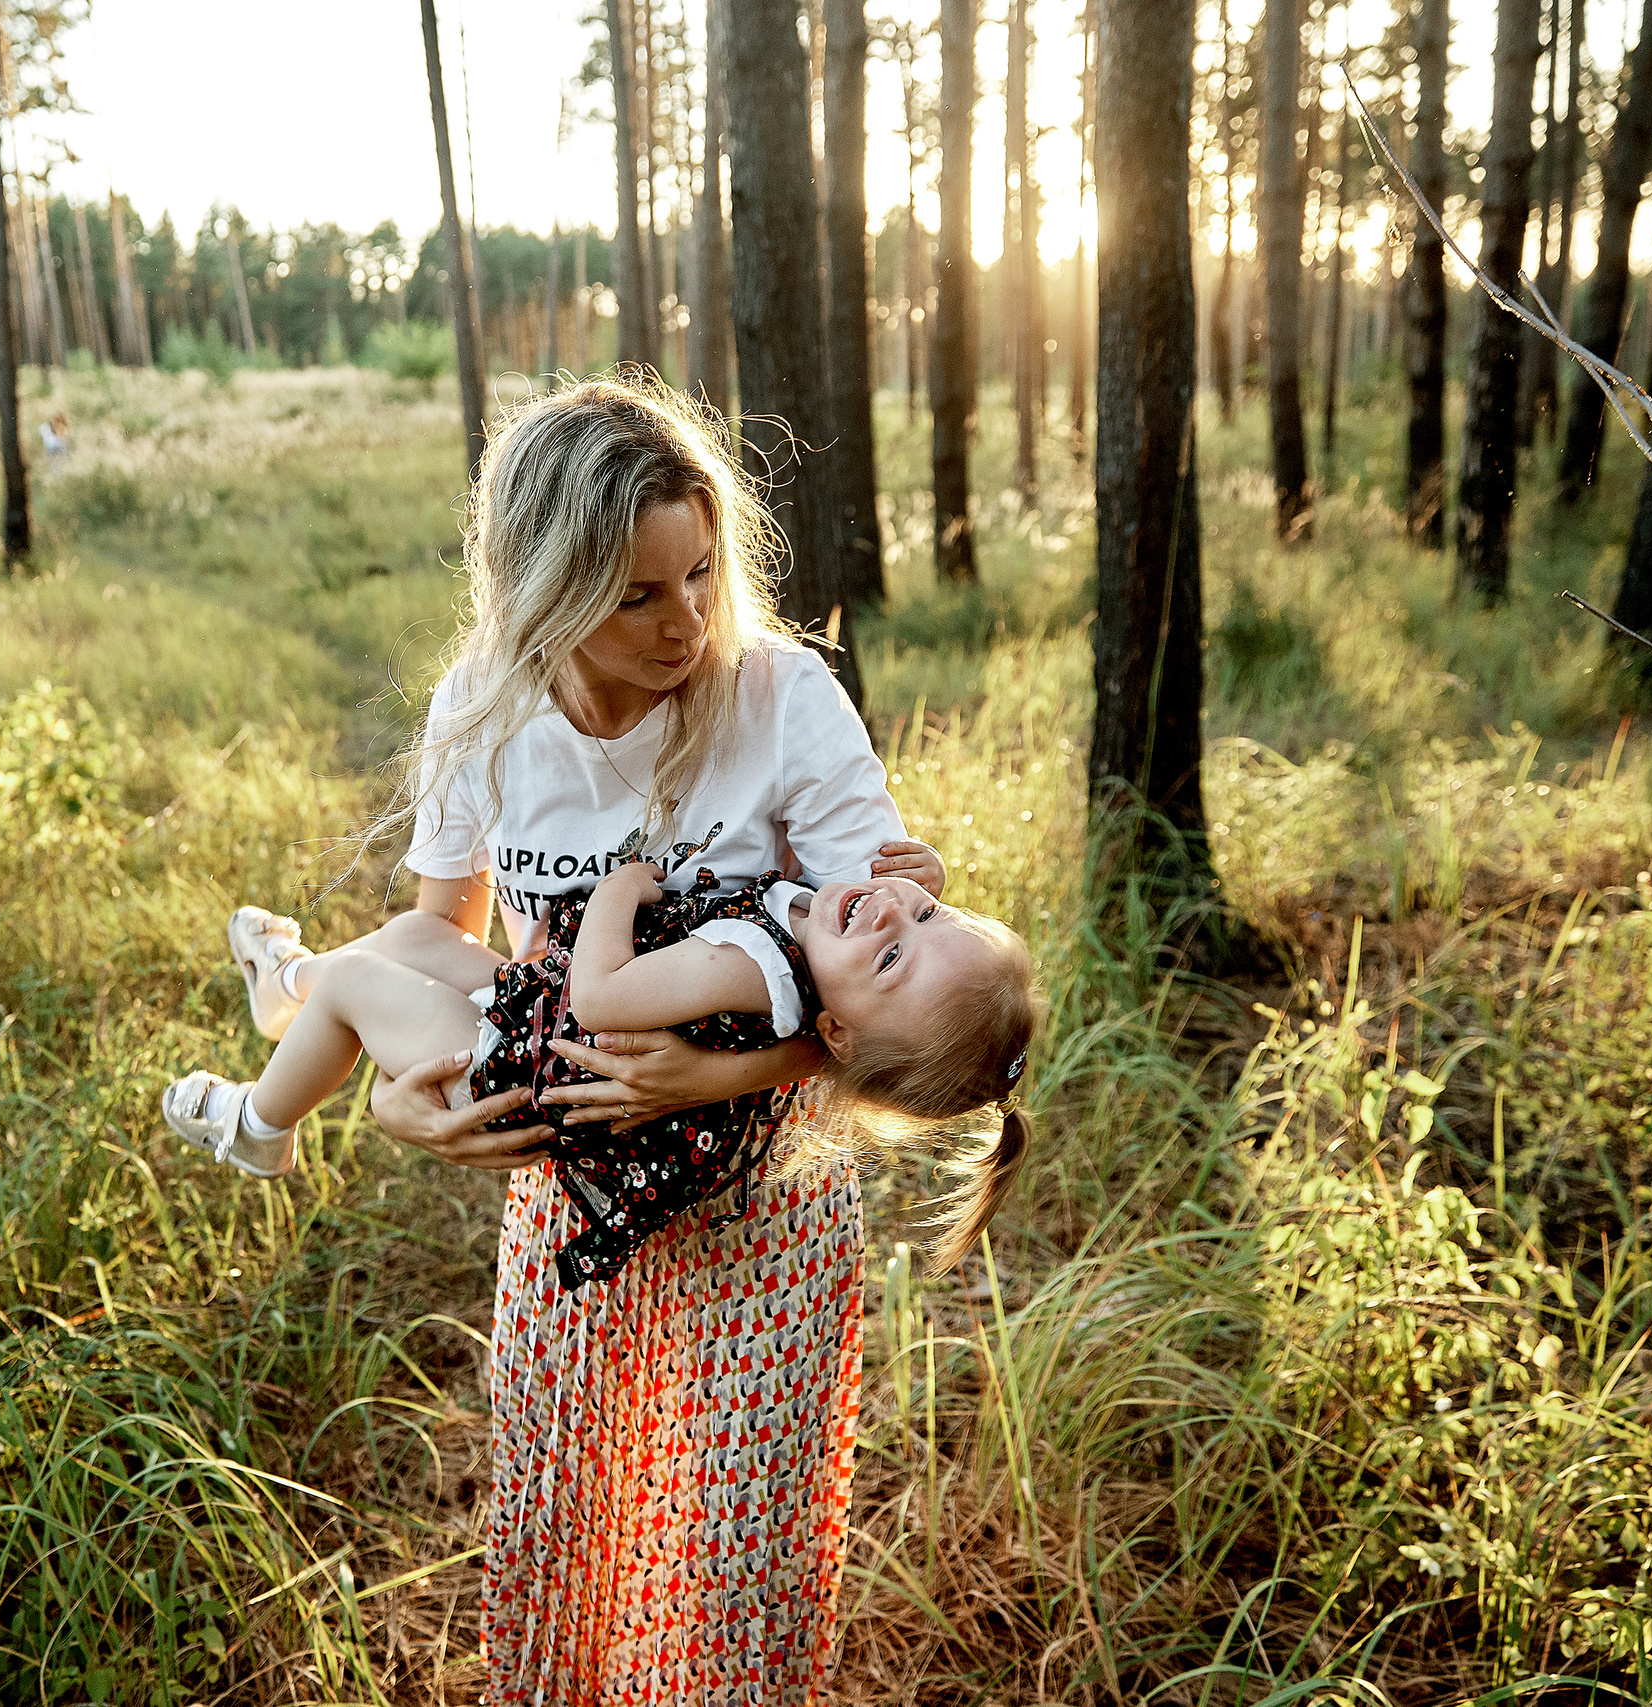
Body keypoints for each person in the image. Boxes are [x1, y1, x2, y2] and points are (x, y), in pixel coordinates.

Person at [206, 377, 1035, 1701]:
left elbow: (878, 1003)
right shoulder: (483, 708)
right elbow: (443, 937)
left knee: (733, 1559)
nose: (687, 619)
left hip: (760, 1203)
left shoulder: (784, 700)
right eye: (639, 593)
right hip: (574, 1178)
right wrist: (394, 1099)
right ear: (544, 589)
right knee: (566, 1529)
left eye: (702, 572)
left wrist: (728, 1068)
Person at [164, 860, 1036, 1290]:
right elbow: (893, 926)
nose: (890, 907)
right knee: (413, 940)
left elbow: (605, 996)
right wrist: (918, 881)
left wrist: (619, 889)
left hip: (521, 1076)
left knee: (361, 982)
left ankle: (259, 1125)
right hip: (532, 1023)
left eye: (892, 955)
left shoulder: (761, 970)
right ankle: (287, 1001)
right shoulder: (819, 932)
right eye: (926, 912)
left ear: (837, 1029)